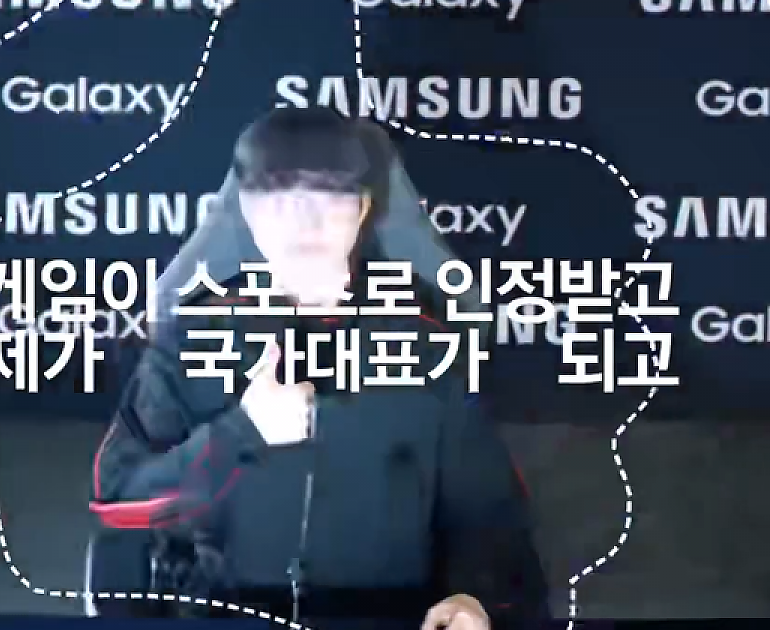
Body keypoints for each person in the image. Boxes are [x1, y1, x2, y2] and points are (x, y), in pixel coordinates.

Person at [85, 106, 549, 630]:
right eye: (282, 197)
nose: (306, 221)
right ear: (249, 212)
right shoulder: (191, 341)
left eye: (329, 195)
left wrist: (473, 597)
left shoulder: (426, 352)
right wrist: (240, 434)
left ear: (362, 209)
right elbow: (120, 507)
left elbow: (492, 517)